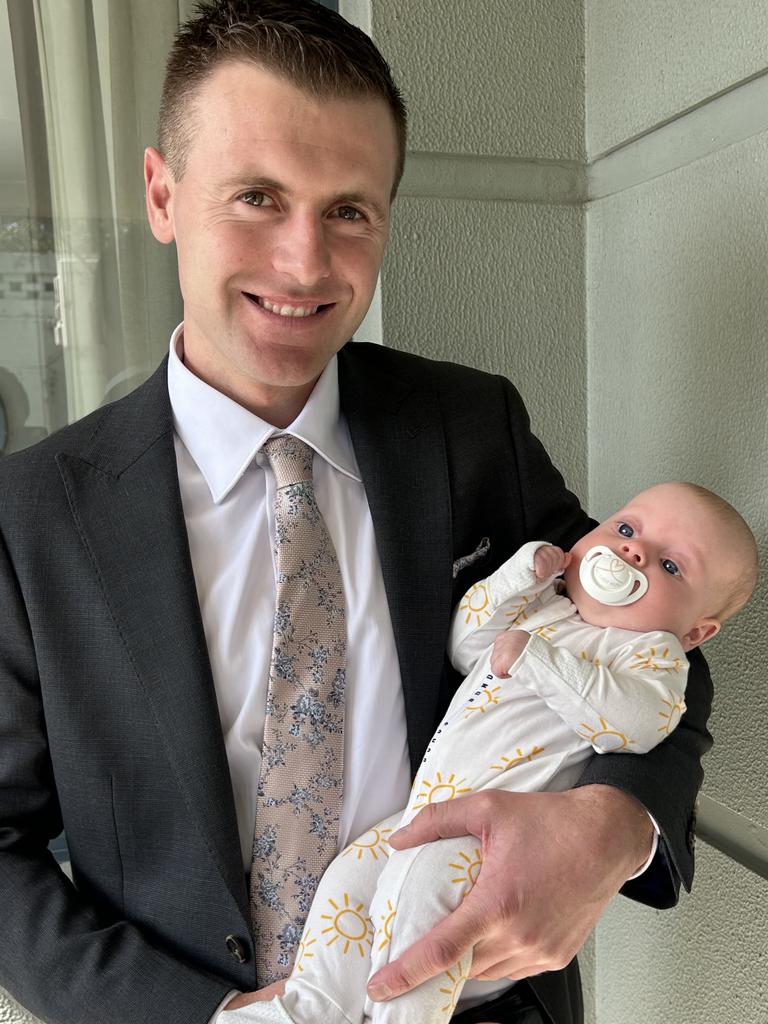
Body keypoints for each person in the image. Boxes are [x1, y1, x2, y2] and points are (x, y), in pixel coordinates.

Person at [0, 4, 718, 1024]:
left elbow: (660, 646)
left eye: (349, 210)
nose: (304, 263)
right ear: (162, 192)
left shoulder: (471, 430)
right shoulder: (30, 516)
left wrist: (614, 822)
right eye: (257, 196)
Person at [219, 482, 758, 1024]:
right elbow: (466, 642)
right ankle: (313, 1004)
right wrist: (521, 578)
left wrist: (539, 663)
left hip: (496, 835)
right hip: (424, 812)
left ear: (695, 632)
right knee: (351, 883)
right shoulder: (545, 606)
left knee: (424, 904)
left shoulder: (652, 653)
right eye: (625, 528)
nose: (635, 552)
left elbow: (641, 724)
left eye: (671, 567)